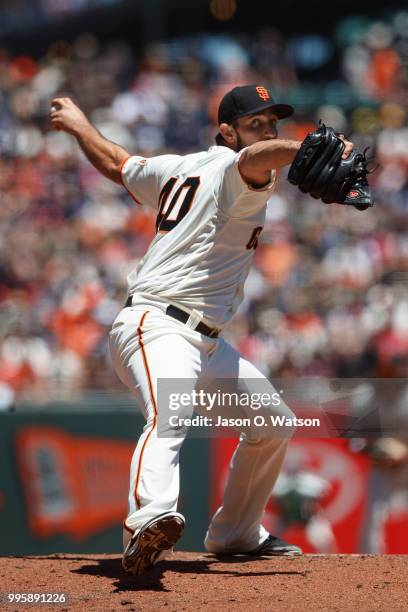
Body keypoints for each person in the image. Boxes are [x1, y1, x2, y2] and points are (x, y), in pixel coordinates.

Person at [50, 84, 354, 574]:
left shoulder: (176, 166)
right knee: (170, 416)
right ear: (227, 130)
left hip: (205, 341)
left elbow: (115, 162)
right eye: (257, 122)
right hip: (158, 325)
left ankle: (235, 532)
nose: (268, 130)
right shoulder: (236, 169)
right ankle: (146, 524)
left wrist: (79, 123)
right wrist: (299, 148)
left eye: (273, 121)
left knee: (273, 422)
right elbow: (257, 156)